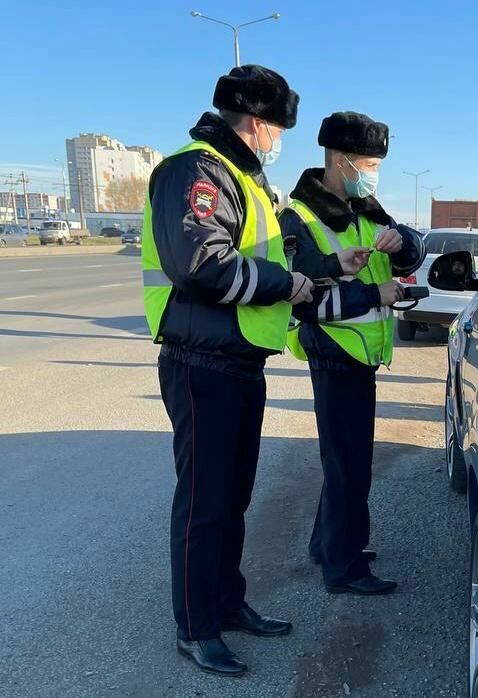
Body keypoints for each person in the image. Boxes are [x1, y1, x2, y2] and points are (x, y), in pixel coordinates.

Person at [142, 64, 315, 676]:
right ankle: (195, 625)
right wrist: (285, 283)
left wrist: (301, 269)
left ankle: (227, 601)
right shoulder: (197, 169)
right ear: (259, 122)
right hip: (200, 360)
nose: (277, 140)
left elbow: (258, 252)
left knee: (233, 497)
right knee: (204, 502)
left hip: (237, 360)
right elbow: (200, 264)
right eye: (276, 129)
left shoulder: (242, 176)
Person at [279, 111, 425, 595]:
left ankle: (328, 543)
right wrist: (375, 295)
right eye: (368, 164)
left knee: (343, 460)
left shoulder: (367, 208)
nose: (373, 173)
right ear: (339, 162)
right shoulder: (298, 218)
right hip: (333, 351)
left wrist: (404, 243)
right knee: (349, 464)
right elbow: (306, 297)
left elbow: (411, 253)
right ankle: (344, 568)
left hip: (359, 356)